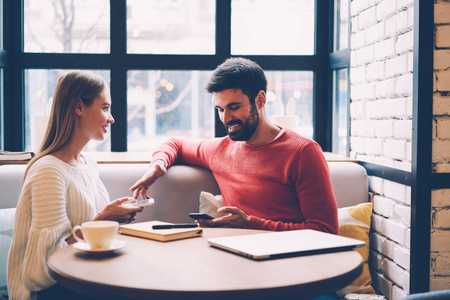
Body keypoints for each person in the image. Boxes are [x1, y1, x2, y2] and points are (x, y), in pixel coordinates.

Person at [130, 57, 338, 233]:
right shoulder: (220, 150)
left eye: (234, 107)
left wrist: (250, 224)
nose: (226, 118)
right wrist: (158, 165)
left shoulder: (303, 153)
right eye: (220, 109)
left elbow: (326, 230)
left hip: (293, 263)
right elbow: (175, 143)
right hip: (237, 258)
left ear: (260, 100)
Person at [7, 71, 144, 300]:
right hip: (48, 292)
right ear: (79, 107)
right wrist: (104, 219)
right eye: (105, 107)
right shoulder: (49, 171)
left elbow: (87, 231)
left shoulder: (88, 163)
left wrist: (112, 214)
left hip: (83, 280)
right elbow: (41, 270)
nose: (112, 118)